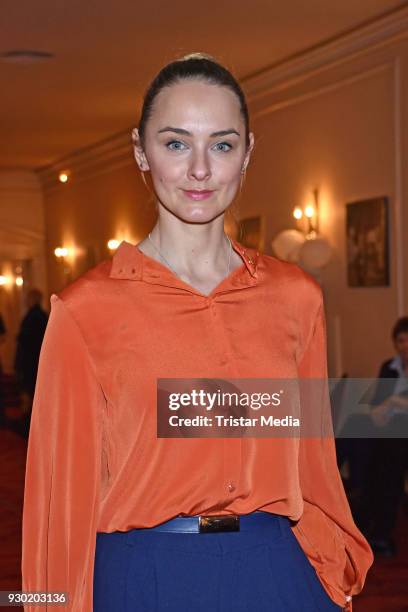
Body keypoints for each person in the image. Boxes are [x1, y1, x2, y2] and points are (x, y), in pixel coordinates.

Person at [21, 52, 373, 612]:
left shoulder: (296, 296)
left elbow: (314, 462)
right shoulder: (86, 310)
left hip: (276, 568)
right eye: (177, 143)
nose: (201, 169)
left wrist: (331, 578)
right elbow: (58, 502)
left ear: (248, 153)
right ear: (141, 149)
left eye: (223, 144)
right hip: (146, 576)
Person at [336, 316, 408, 556]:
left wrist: (396, 401)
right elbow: (377, 402)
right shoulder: (389, 367)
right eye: (401, 340)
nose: (405, 345)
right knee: (356, 424)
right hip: (387, 425)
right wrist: (377, 410)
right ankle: (334, 471)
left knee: (387, 454)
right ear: (395, 343)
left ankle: (380, 532)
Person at [14, 288, 49, 438]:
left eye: (28, 297)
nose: (25, 300)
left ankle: (32, 429)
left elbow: (25, 342)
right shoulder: (42, 316)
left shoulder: (33, 317)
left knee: (31, 394)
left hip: (31, 363)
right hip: (38, 363)